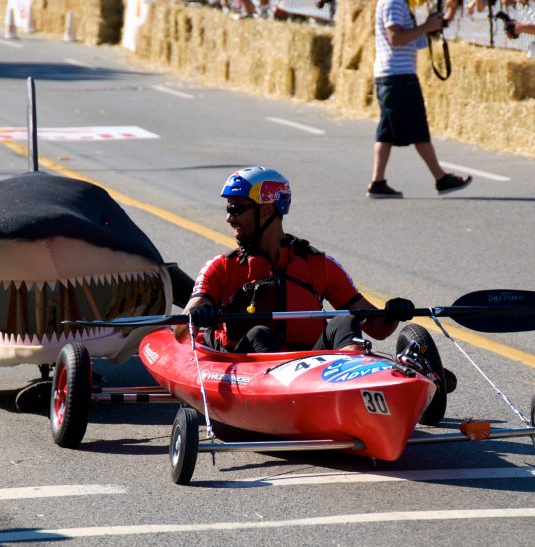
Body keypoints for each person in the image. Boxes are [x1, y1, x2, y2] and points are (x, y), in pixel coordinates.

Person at [177, 166, 416, 353]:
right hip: (247, 368)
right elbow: (180, 332)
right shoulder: (222, 268)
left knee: (345, 321)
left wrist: (393, 313)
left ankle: (351, 386)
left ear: (268, 211)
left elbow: (377, 328)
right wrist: (196, 317)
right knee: (260, 334)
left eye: (237, 209)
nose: (230, 218)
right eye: (229, 209)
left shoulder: (318, 265)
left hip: (307, 372)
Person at [368, 0, 473, 199]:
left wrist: (432, 27)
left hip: (395, 74)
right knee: (418, 129)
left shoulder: (401, 4)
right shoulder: (394, 3)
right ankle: (441, 178)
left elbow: (413, 41)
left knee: (386, 132)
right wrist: (426, 26)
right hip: (398, 76)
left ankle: (378, 182)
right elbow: (395, 37)